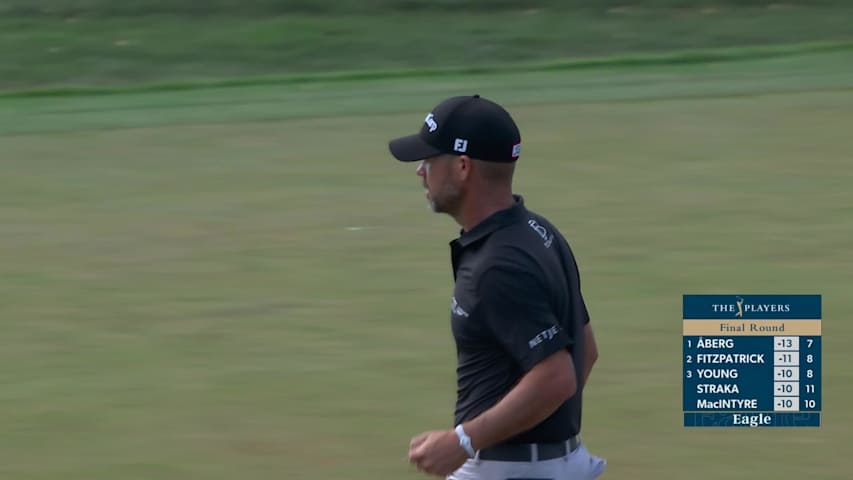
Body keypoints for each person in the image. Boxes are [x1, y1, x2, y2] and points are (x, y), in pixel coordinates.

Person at [388, 94, 607, 480]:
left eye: (429, 160)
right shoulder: (541, 232)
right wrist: (548, 443)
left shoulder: (497, 266)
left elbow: (557, 376)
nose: (420, 171)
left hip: (510, 470)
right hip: (551, 463)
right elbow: (584, 351)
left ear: (461, 167)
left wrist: (464, 441)